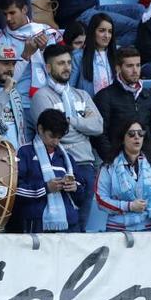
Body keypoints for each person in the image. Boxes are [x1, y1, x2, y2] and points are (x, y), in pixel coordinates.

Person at [31, 44, 103, 230]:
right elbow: (53, 133)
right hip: (60, 166)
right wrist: (82, 125)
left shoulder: (82, 94)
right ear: (48, 68)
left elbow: (99, 126)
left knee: (80, 227)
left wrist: (72, 121)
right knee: (63, 227)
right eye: (61, 63)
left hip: (86, 166)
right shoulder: (41, 96)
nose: (67, 67)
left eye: (69, 63)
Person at [0, 0, 62, 125]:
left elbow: (58, 73)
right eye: (5, 14)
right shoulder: (0, 39)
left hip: (46, 101)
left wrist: (44, 51)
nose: (8, 19)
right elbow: (3, 80)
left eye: (12, 13)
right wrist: (26, 56)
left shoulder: (45, 31)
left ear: (24, 9)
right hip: (16, 104)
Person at [95, 118, 151, 232]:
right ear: (122, 139)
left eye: (140, 133)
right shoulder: (108, 167)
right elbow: (101, 200)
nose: (137, 137)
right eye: (131, 133)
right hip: (117, 230)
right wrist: (129, 206)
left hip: (149, 229)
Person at [11, 108, 85, 232]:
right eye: (52, 136)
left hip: (69, 223)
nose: (55, 142)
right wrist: (46, 188)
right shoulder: (24, 152)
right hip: (36, 223)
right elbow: (15, 190)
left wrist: (75, 187)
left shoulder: (66, 157)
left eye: (59, 138)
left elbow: (82, 194)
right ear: (40, 129)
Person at [93, 46, 151, 163]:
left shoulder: (147, 96)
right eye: (129, 66)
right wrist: (113, 161)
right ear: (118, 68)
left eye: (138, 65)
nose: (135, 70)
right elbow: (100, 135)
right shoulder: (105, 96)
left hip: (146, 163)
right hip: (116, 163)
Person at [70, 13, 116, 95]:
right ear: (92, 32)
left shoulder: (117, 56)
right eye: (102, 31)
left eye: (110, 32)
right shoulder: (78, 56)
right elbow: (70, 88)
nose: (107, 35)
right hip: (88, 106)